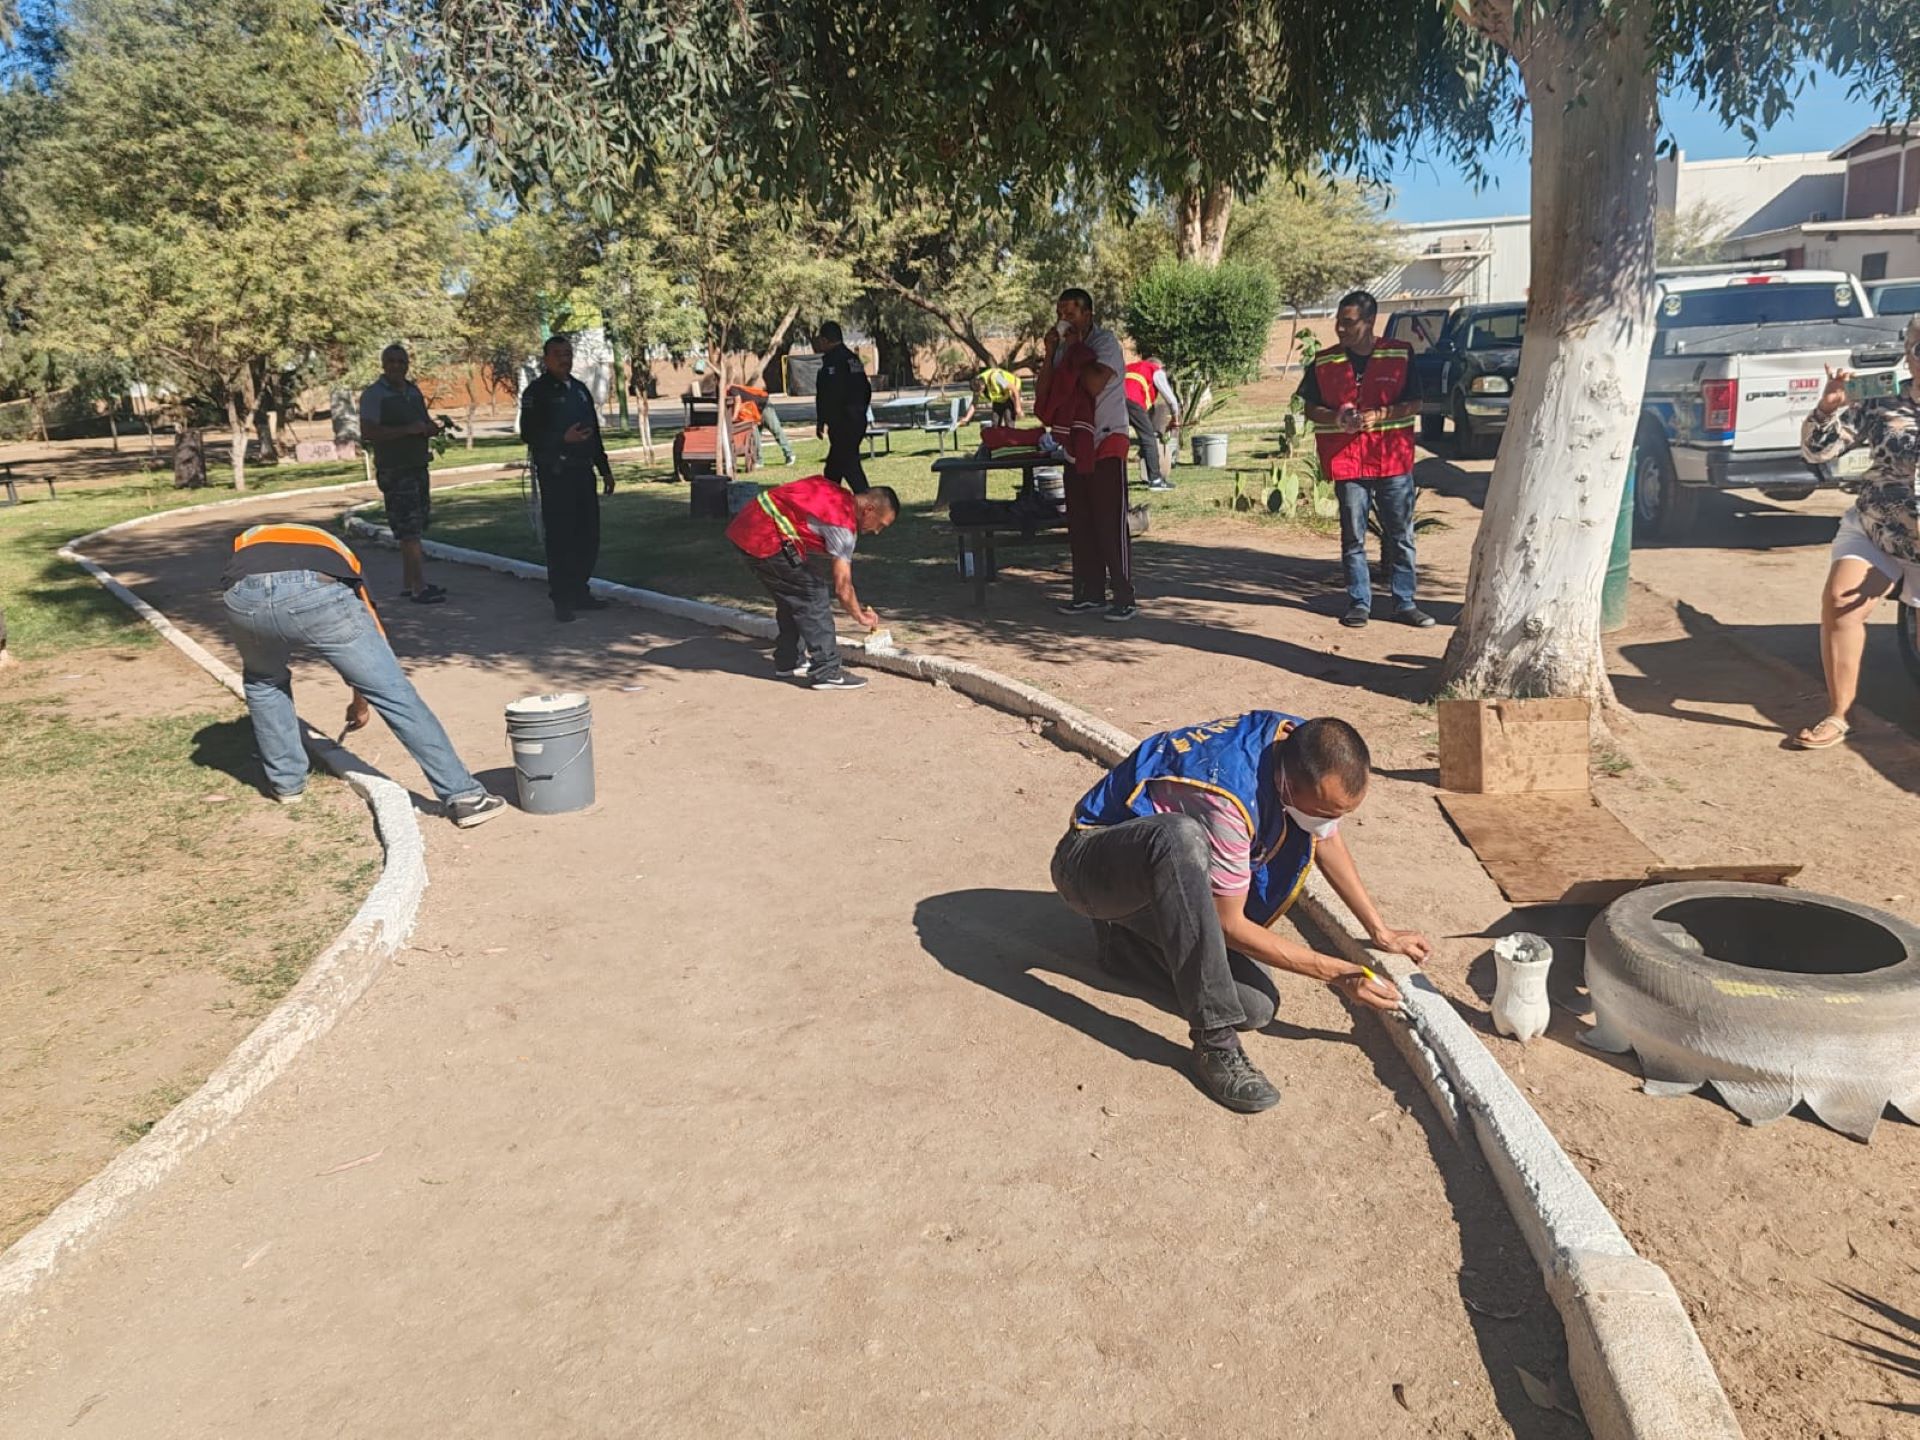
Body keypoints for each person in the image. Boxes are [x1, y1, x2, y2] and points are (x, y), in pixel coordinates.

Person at [1052, 710, 1430, 1112]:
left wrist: (1380, 930)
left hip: (1155, 882)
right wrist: (1336, 972)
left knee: (1253, 1005)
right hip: (1091, 866)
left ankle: (1121, 942)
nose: (1330, 823)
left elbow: (1326, 835)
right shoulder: (1225, 795)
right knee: (1180, 839)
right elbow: (1230, 924)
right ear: (1288, 784)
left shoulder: (1302, 744)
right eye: (1325, 810)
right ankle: (1214, 1043)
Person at [220, 521, 505, 827]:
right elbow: (372, 628)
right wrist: (363, 700)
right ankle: (464, 797)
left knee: (264, 682)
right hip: (316, 588)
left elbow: (249, 578)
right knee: (392, 692)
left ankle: (287, 784)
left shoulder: (248, 539)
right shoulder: (337, 550)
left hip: (244, 596)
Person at [1794, 319, 1920, 749]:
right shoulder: (1880, 398)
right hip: (1877, 525)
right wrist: (1828, 408)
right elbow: (1818, 451)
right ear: (1908, 354)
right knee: (1840, 603)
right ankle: (1838, 714)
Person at [1297, 291, 1434, 630]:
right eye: (1338, 322)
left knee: (1401, 535)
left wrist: (1382, 414)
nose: (1339, 329)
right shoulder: (1324, 361)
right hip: (1349, 461)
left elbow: (1415, 403)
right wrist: (1336, 418)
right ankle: (1359, 603)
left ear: (1369, 322)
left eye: (1348, 322)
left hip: (1392, 461)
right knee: (1353, 537)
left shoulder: (1400, 354)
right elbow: (1310, 407)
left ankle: (1404, 603)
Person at [725, 476, 899, 692]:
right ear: (869, 509)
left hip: (746, 526)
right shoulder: (842, 524)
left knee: (792, 594)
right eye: (880, 524)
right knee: (812, 594)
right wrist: (860, 615)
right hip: (764, 537)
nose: (876, 532)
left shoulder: (831, 490)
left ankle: (789, 660)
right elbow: (843, 586)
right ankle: (827, 671)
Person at [1037, 287, 1136, 620]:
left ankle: (1123, 594)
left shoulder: (1104, 343)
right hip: (1075, 444)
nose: (1064, 319)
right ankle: (1089, 591)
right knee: (1080, 522)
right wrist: (1052, 352)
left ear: (1088, 314)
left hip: (1106, 439)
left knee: (1109, 521)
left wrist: (1076, 347)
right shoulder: (1066, 350)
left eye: (1071, 312)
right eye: (1060, 313)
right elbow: (1046, 392)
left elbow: (1094, 384)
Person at [519, 335, 615, 623]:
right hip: (557, 474)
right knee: (561, 537)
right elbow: (529, 433)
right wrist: (562, 438)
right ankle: (562, 598)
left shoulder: (580, 390)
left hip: (583, 472)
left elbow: (593, 433)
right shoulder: (537, 392)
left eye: (568, 353)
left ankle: (580, 591)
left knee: (588, 535)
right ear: (546, 359)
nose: (564, 358)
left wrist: (604, 469)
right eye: (558, 354)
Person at [358, 344, 445, 604]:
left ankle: (410, 583)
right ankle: (420, 587)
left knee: (416, 525)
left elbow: (423, 422)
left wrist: (430, 428)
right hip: (395, 470)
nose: (397, 366)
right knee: (409, 530)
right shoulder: (374, 396)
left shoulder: (413, 391)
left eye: (401, 361)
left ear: (408, 364)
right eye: (392, 361)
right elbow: (369, 432)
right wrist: (407, 430)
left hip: (418, 466)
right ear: (384, 364)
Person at [813, 321, 872, 494]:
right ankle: (832, 505)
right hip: (854, 421)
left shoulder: (835, 362)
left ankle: (868, 504)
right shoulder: (852, 359)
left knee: (849, 468)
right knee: (834, 470)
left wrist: (827, 418)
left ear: (825, 340)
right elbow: (865, 389)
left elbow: (829, 394)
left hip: (844, 423)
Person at [1124, 353, 1181, 492]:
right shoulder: (1155, 370)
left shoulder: (1129, 367)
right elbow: (1171, 399)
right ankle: (1155, 480)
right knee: (1148, 438)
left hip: (1112, 401)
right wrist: (1175, 419)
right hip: (1132, 400)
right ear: (1159, 366)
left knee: (1116, 439)